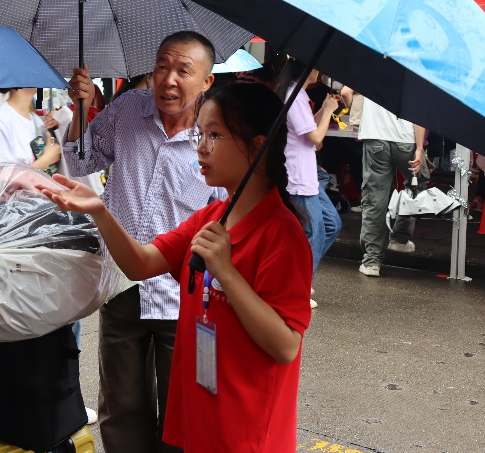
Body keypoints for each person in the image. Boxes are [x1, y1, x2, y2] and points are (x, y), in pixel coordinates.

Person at [40, 83, 312, 452]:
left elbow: (285, 345)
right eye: (200, 134)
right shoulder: (212, 217)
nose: (201, 147)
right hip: (201, 413)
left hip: (247, 431)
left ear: (257, 146)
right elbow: (140, 264)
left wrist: (227, 273)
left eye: (215, 135)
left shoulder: (282, 235)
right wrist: (100, 212)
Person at [63, 31, 224, 453]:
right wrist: (81, 108)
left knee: (180, 414)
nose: (168, 80)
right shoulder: (128, 109)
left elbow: (227, 215)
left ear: (206, 81)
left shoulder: (214, 136)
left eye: (183, 71)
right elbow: (81, 160)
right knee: (121, 408)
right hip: (123, 286)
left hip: (184, 298)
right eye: (161, 67)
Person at [273, 60, 342, 308]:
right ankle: (297, 289)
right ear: (306, 69)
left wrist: (324, 109)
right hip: (298, 177)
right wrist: (329, 109)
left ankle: (296, 279)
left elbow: (307, 126)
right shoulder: (294, 94)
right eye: (316, 68)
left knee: (331, 224)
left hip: (306, 176)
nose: (319, 72)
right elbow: (315, 136)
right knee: (314, 233)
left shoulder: (296, 94)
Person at [352, 91, 429, 277]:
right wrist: (419, 148)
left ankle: (371, 262)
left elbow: (346, 93)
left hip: (375, 138)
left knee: (374, 199)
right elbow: (418, 112)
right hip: (406, 140)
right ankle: (399, 237)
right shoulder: (412, 78)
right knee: (417, 185)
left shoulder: (370, 75)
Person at [0, 87, 61, 171]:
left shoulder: (36, 120)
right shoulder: (0, 121)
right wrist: (46, 159)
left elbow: (52, 151)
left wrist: (58, 125)